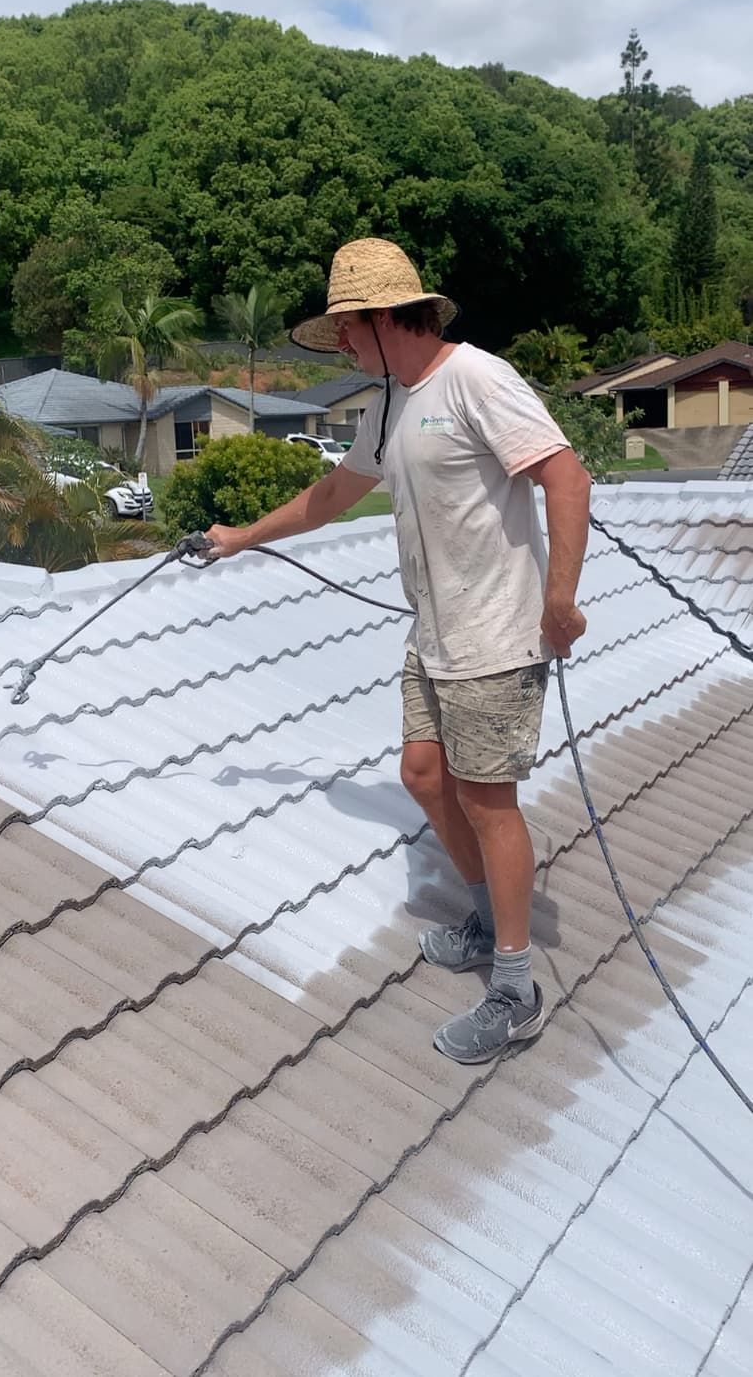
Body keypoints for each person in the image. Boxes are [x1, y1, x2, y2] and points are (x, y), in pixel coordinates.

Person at [204, 238, 591, 1064]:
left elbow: (566, 477)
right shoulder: (389, 404)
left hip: (496, 636)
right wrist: (241, 537)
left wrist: (559, 599)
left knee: (487, 802)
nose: (341, 344)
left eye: (347, 328)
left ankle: (516, 990)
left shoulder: (477, 379)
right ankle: (486, 919)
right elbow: (333, 494)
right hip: (435, 634)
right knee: (422, 775)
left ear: (386, 318)